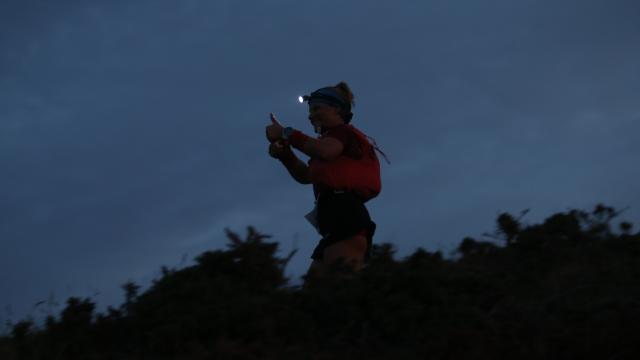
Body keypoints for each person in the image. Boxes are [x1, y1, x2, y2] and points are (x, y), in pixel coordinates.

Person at [265, 81, 382, 277]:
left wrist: (287, 133)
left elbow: (325, 151)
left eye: (317, 108)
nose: (311, 116)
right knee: (316, 294)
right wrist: (285, 154)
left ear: (336, 108)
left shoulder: (342, 133)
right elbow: (305, 176)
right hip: (336, 220)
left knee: (338, 288)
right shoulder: (329, 141)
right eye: (310, 111)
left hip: (346, 216)